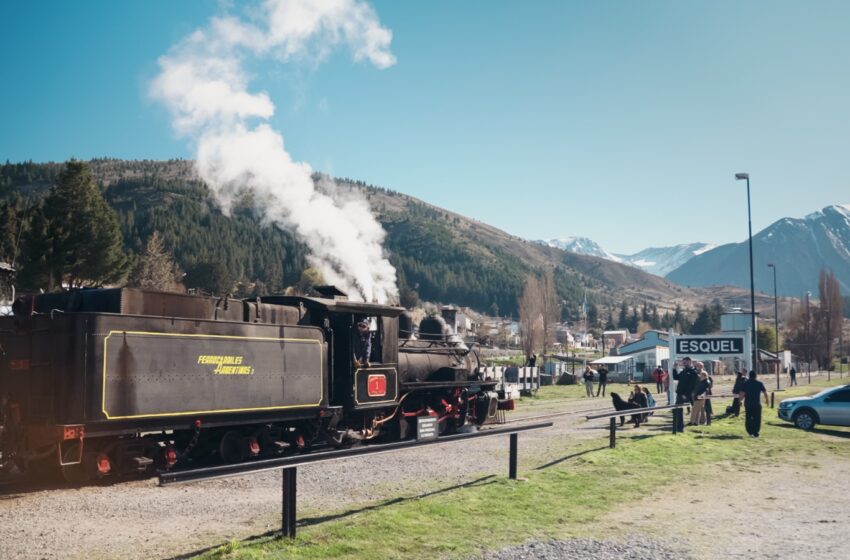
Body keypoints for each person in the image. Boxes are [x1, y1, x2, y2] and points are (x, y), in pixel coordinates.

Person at [739, 370, 769, 438]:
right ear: (756, 376)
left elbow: (742, 394)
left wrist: (740, 401)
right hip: (757, 404)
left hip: (748, 404)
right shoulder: (759, 383)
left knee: (748, 418)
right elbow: (765, 392)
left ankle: (749, 431)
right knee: (757, 419)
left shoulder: (745, 383)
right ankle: (756, 432)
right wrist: (767, 400)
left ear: (749, 376)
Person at [672, 357, 697, 431]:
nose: (683, 363)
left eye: (685, 362)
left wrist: (685, 394)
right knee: (677, 410)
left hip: (685, 394)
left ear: (690, 362)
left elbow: (692, 386)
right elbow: (676, 377)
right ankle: (678, 427)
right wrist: (674, 368)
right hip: (679, 393)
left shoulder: (693, 372)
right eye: (683, 362)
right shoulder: (684, 371)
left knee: (679, 409)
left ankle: (681, 427)